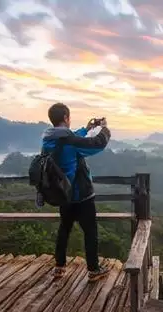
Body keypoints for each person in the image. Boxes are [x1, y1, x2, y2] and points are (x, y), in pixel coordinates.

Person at [41, 102, 111, 281]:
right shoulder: (70, 141)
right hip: (81, 195)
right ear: (66, 117)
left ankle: (59, 266)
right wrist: (104, 129)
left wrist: (86, 128)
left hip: (62, 194)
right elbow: (96, 144)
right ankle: (94, 270)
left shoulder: (48, 140)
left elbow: (70, 139)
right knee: (90, 232)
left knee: (64, 228)